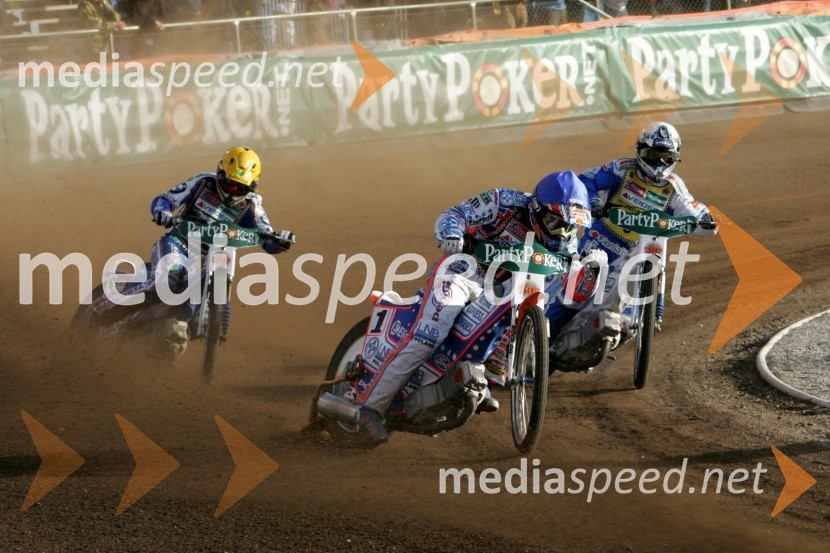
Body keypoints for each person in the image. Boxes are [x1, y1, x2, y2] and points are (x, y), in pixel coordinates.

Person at [354, 171, 596, 445]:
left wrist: (591, 269)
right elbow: (455, 214)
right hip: (462, 273)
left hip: (503, 289)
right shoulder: (503, 201)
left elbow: (575, 294)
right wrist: (452, 234)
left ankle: (488, 373)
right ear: (538, 209)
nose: (562, 232)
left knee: (538, 297)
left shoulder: (568, 241)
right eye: (555, 222)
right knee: (429, 334)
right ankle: (368, 408)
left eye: (571, 226)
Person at [89, 146, 294, 360]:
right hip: (179, 243)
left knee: (181, 321)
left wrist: (279, 241)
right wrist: (163, 212)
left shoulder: (252, 205)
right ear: (220, 173)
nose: (233, 191)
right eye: (229, 184)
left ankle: (156, 347)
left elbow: (266, 233)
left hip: (212, 259)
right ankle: (101, 315)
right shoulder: (202, 182)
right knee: (166, 283)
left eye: (240, 188)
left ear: (252, 187)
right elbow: (166, 198)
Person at [546, 122, 718, 364]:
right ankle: (539, 344)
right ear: (641, 151)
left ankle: (648, 313)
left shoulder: (674, 186)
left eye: (666, 156)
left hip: (636, 250)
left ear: (675, 157)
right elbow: (586, 179)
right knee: (575, 293)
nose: (659, 163)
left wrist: (705, 218)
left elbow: (691, 207)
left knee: (658, 249)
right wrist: (594, 201)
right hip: (600, 243)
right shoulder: (621, 169)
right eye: (654, 155)